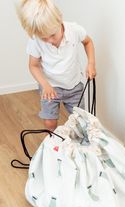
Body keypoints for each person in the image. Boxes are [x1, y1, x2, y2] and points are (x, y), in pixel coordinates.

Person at [17, 0, 96, 131]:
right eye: (44, 38)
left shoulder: (74, 30)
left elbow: (88, 42)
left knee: (81, 120)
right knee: (49, 121)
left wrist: (91, 63)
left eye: (52, 35)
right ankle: (53, 142)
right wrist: (45, 85)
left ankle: (79, 143)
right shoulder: (35, 40)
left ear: (59, 20)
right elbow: (33, 65)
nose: (49, 41)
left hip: (74, 85)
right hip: (50, 87)